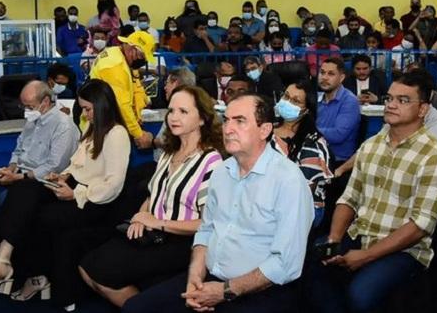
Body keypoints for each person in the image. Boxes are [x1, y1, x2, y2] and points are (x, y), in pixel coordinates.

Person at [121, 93, 314, 313]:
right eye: (226, 120)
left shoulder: (288, 180)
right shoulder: (222, 171)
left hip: (260, 288)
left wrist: (226, 290)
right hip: (212, 279)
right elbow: (206, 230)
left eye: (240, 121)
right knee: (135, 308)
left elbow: (285, 264)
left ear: (265, 130)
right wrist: (194, 278)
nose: (228, 128)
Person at [306, 69, 437, 313]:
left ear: (423, 110)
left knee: (360, 295)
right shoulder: (372, 146)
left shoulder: (434, 156)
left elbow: (420, 225)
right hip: (360, 233)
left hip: (405, 250)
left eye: (403, 100)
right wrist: (334, 240)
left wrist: (365, 256)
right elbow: (349, 198)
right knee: (311, 264)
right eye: (389, 98)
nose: (392, 105)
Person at [0, 79, 129, 298]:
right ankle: (4, 260)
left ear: (102, 105)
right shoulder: (93, 130)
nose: (85, 114)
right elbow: (77, 163)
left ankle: (31, 275)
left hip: (93, 201)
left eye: (87, 109)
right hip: (74, 187)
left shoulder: (116, 134)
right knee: (24, 189)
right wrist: (62, 175)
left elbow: (112, 185)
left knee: (36, 214)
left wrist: (75, 193)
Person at [79, 85, 224, 308]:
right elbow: (153, 195)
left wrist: (158, 223)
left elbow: (207, 223)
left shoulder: (211, 161)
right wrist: (140, 214)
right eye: (171, 111)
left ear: (202, 119)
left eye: (183, 112)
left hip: (182, 241)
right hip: (152, 231)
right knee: (87, 265)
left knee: (102, 270)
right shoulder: (168, 152)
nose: (174, 117)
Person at [0, 80, 79, 266]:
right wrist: (9, 169)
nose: (25, 110)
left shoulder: (63, 126)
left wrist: (17, 178)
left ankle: (12, 254)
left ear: (46, 101)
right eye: (23, 105)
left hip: (42, 182)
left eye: (29, 106)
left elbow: (54, 166)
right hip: (19, 176)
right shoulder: (32, 121)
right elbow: (19, 151)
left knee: (5, 199)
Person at [271, 80, 333, 226]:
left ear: (306, 110)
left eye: (296, 101)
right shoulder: (266, 130)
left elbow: (301, 192)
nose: (288, 102)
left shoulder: (313, 143)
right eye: (286, 97)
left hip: (299, 208)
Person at [88, 31, 154, 148]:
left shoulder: (122, 56)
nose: (143, 61)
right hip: (98, 121)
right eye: (142, 57)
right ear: (132, 49)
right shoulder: (115, 65)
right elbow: (122, 105)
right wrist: (139, 135)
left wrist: (137, 115)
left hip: (106, 118)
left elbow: (136, 86)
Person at [135, 67, 196, 162]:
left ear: (175, 83)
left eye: (166, 83)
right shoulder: (189, 105)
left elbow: (176, 141)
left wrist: (152, 141)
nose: (164, 88)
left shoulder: (180, 110)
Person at [316, 58, 361, 164]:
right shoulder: (317, 98)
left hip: (336, 160)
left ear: (341, 78)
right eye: (322, 73)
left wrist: (309, 131)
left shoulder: (350, 101)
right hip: (316, 155)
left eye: (331, 74)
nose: (324, 77)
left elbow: (338, 135)